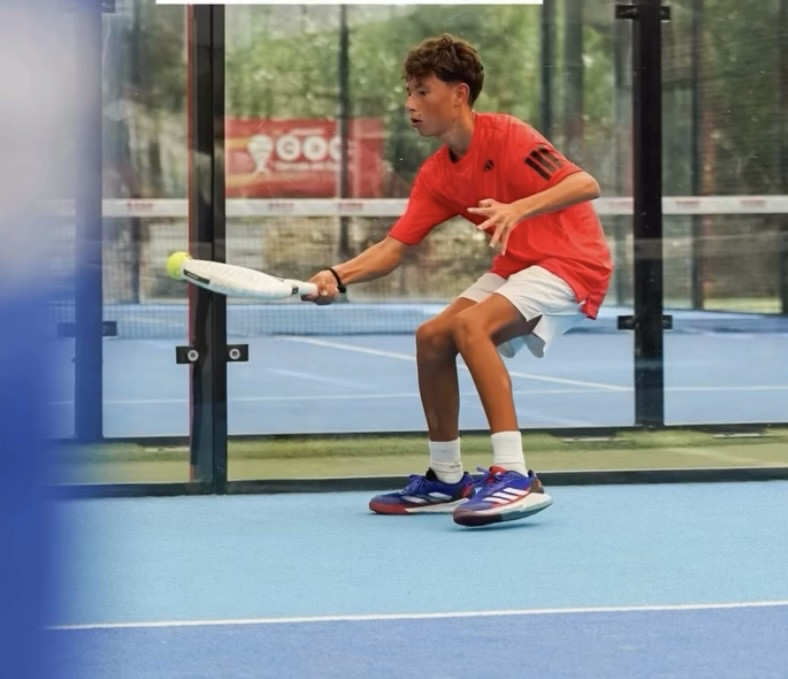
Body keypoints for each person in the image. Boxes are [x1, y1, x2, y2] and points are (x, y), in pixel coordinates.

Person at [305, 34, 613, 527]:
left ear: (459, 94)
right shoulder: (436, 175)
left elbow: (584, 184)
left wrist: (518, 208)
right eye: (408, 91)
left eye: (422, 91)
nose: (410, 104)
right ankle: (448, 478)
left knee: (470, 326)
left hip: (573, 263)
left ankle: (514, 475)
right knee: (432, 337)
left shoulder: (509, 136)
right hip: (518, 266)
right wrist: (336, 276)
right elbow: (392, 249)